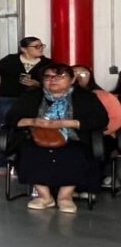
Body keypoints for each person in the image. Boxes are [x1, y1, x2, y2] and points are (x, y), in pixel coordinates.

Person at [8, 61, 107, 212]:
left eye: (59, 76)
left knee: (75, 153)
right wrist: (34, 121)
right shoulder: (32, 95)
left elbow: (100, 119)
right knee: (29, 152)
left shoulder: (85, 97)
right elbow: (11, 118)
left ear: (72, 79)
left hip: (74, 138)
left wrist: (67, 123)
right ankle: (44, 196)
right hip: (37, 138)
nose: (52, 80)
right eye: (47, 77)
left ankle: (65, 197)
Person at [0, 37, 53, 167]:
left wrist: (38, 84)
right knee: (6, 129)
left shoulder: (47, 64)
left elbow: (53, 83)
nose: (41, 49)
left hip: (33, 100)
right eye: (36, 46)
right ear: (24, 49)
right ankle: (4, 163)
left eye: (42, 46)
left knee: (33, 129)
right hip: (8, 99)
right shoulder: (10, 60)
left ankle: (27, 162)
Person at [73, 65, 121, 173]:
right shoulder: (62, 96)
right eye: (74, 73)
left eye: (83, 74)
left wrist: (102, 131)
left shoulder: (103, 95)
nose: (78, 77)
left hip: (102, 134)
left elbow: (116, 119)